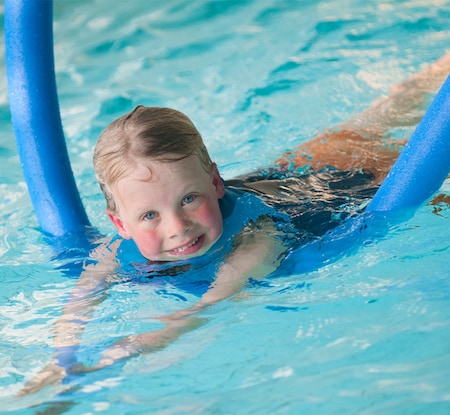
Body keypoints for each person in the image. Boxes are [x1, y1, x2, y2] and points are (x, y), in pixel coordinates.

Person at [19, 52, 450, 395]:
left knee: (398, 126)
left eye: (189, 199)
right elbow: (80, 301)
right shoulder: (115, 249)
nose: (178, 226)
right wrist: (63, 357)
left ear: (214, 182)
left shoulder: (255, 239)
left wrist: (140, 346)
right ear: (120, 223)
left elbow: (214, 302)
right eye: (150, 215)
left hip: (350, 189)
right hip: (282, 177)